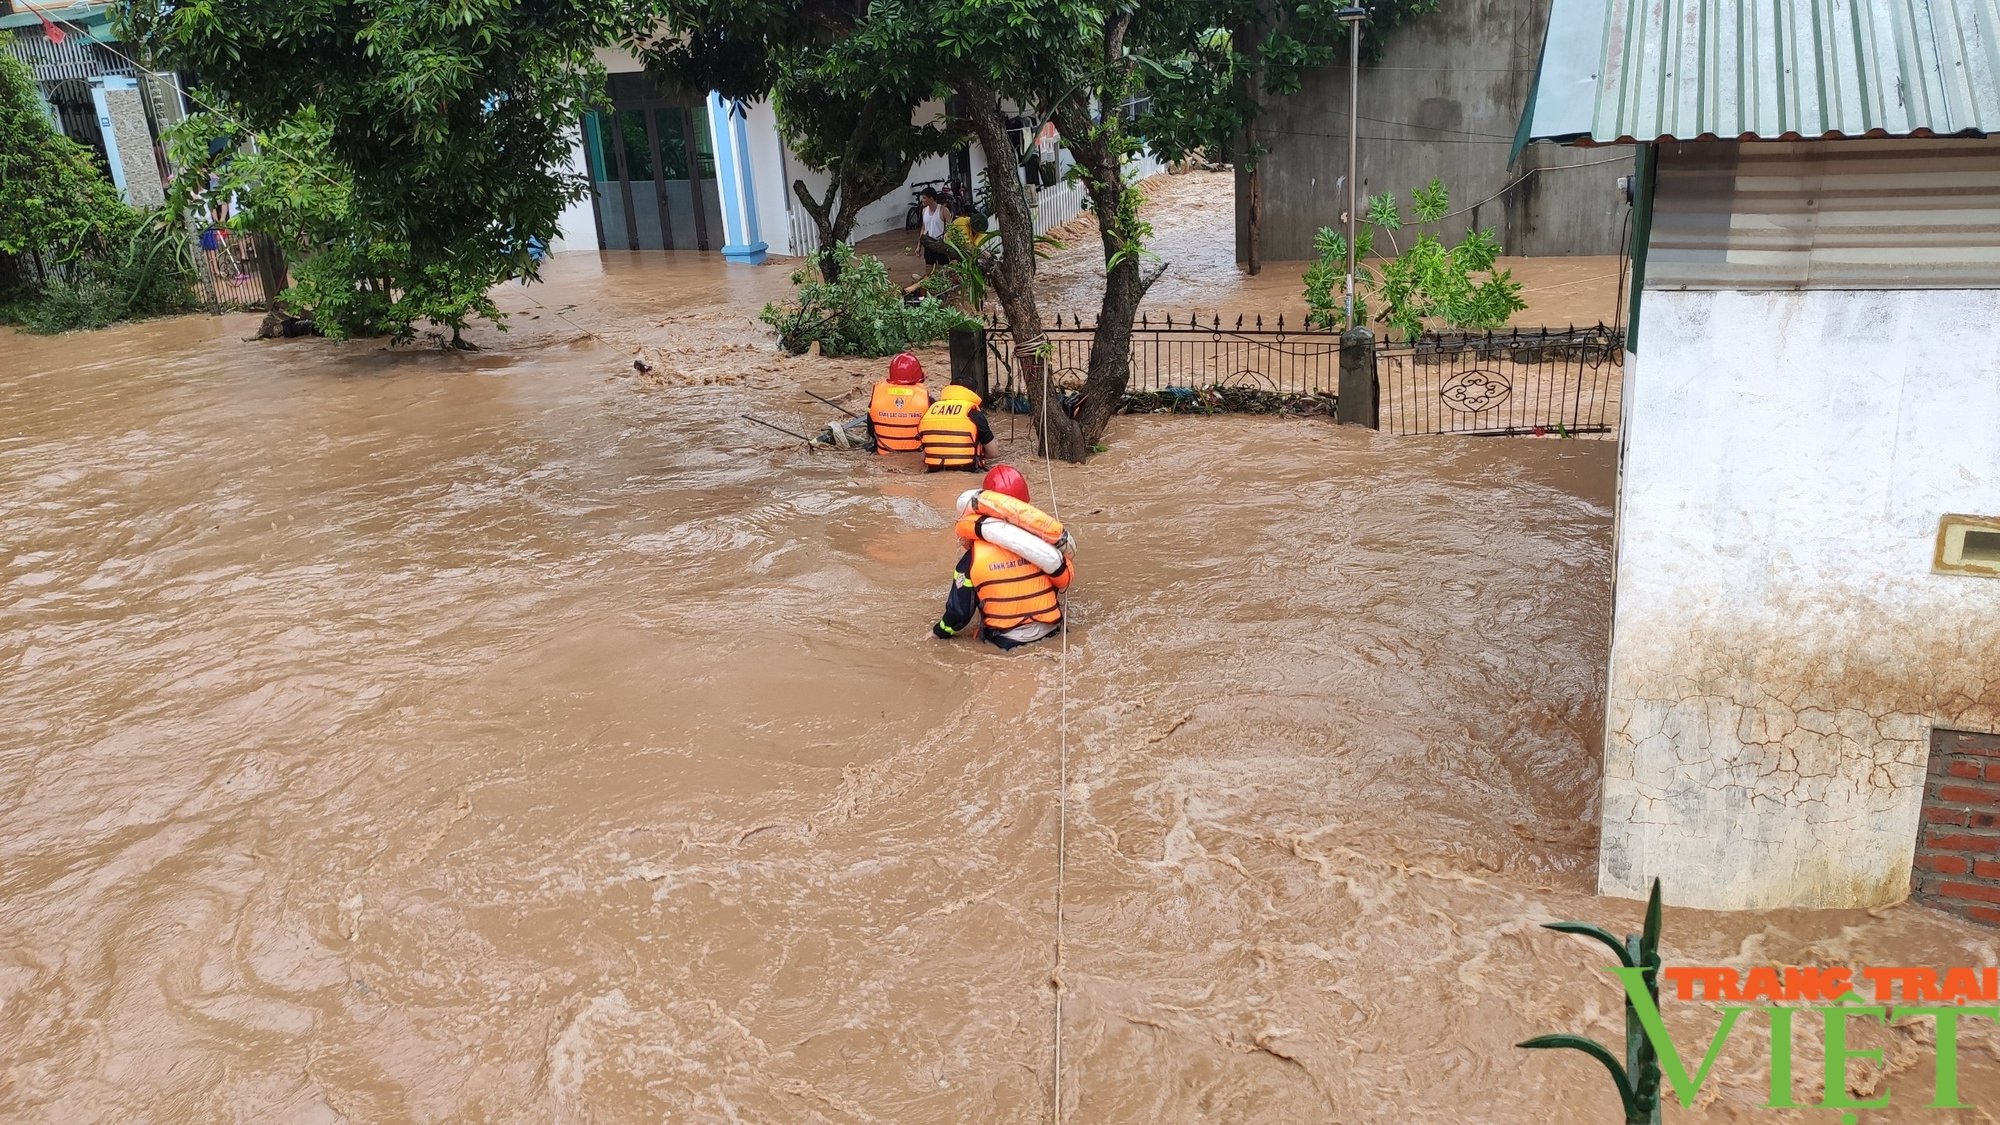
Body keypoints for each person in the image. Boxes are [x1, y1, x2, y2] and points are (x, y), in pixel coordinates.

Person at [934, 465, 1073, 650]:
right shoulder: (1047, 547)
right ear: (1026, 507)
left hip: (1004, 643)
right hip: (1053, 633)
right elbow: (1059, 581)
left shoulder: (971, 559)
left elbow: (959, 614)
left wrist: (939, 632)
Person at [868, 352, 931, 456]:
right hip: (916, 456)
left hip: (884, 455)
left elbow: (871, 431)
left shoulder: (876, 398)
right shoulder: (928, 400)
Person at [917, 384, 992, 471]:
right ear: (974, 393)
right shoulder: (974, 414)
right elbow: (993, 453)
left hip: (934, 470)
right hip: (966, 471)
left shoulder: (929, 411)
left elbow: (922, 457)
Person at [919, 187, 953, 268]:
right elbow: (923, 228)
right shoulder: (924, 211)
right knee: (929, 268)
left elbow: (950, 228)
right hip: (928, 244)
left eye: (924, 198)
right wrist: (919, 246)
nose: (922, 200)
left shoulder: (943, 210)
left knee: (944, 268)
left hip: (940, 245)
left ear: (931, 198)